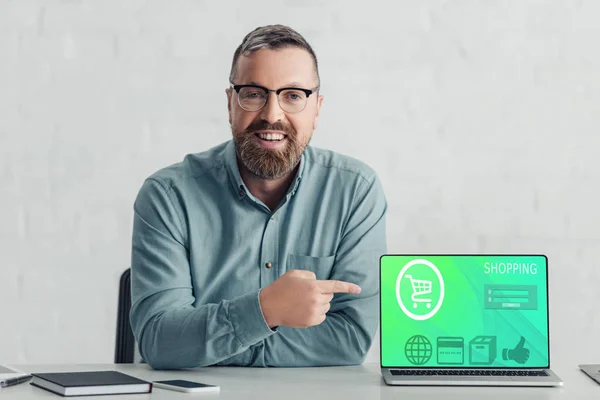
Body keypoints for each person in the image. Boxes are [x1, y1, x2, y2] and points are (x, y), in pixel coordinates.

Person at [129, 24, 387, 369]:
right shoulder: (167, 196)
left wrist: (214, 342)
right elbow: (161, 342)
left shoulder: (355, 192)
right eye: (253, 93)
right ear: (230, 103)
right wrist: (267, 310)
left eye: (293, 95)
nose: (272, 114)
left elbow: (349, 342)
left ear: (317, 109)